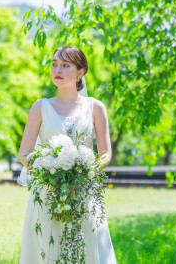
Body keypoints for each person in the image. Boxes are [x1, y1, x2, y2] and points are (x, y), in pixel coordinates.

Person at [18, 45, 118, 263]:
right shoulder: (40, 107)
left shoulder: (96, 107)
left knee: (86, 245)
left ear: (80, 71)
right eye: (54, 64)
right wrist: (49, 174)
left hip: (83, 191)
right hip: (47, 192)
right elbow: (25, 153)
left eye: (65, 65)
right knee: (47, 245)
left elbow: (105, 153)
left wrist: (82, 175)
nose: (58, 70)